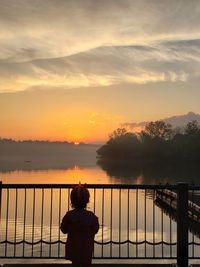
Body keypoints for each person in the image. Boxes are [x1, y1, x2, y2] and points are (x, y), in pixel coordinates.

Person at [61, 184, 99, 267]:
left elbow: (63, 230)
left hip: (73, 248)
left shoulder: (69, 215)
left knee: (75, 263)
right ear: (87, 201)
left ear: (72, 201)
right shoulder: (91, 216)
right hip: (86, 249)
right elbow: (95, 229)